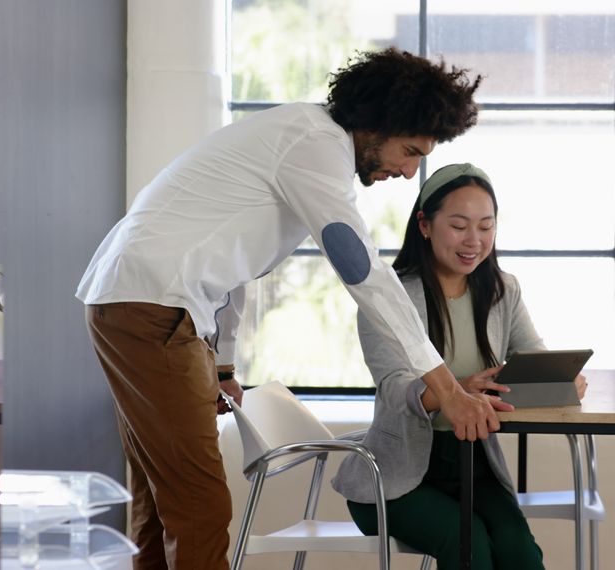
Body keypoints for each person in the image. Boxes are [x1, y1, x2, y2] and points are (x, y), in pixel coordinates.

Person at [76, 49, 499, 570]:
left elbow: (237, 265)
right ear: (376, 123)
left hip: (139, 304)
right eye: (409, 152)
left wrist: (223, 364)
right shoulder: (315, 146)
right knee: (200, 503)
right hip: (152, 307)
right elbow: (363, 272)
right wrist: (447, 388)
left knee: (163, 501)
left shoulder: (296, 138)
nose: (410, 172)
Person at [332, 163, 588, 569]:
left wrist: (560, 378)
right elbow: (396, 388)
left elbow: (532, 356)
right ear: (425, 225)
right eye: (459, 225)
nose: (474, 241)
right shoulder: (387, 298)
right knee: (469, 544)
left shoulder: (503, 290)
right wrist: (456, 389)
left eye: (486, 227)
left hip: (474, 464)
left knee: (520, 553)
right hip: (394, 480)